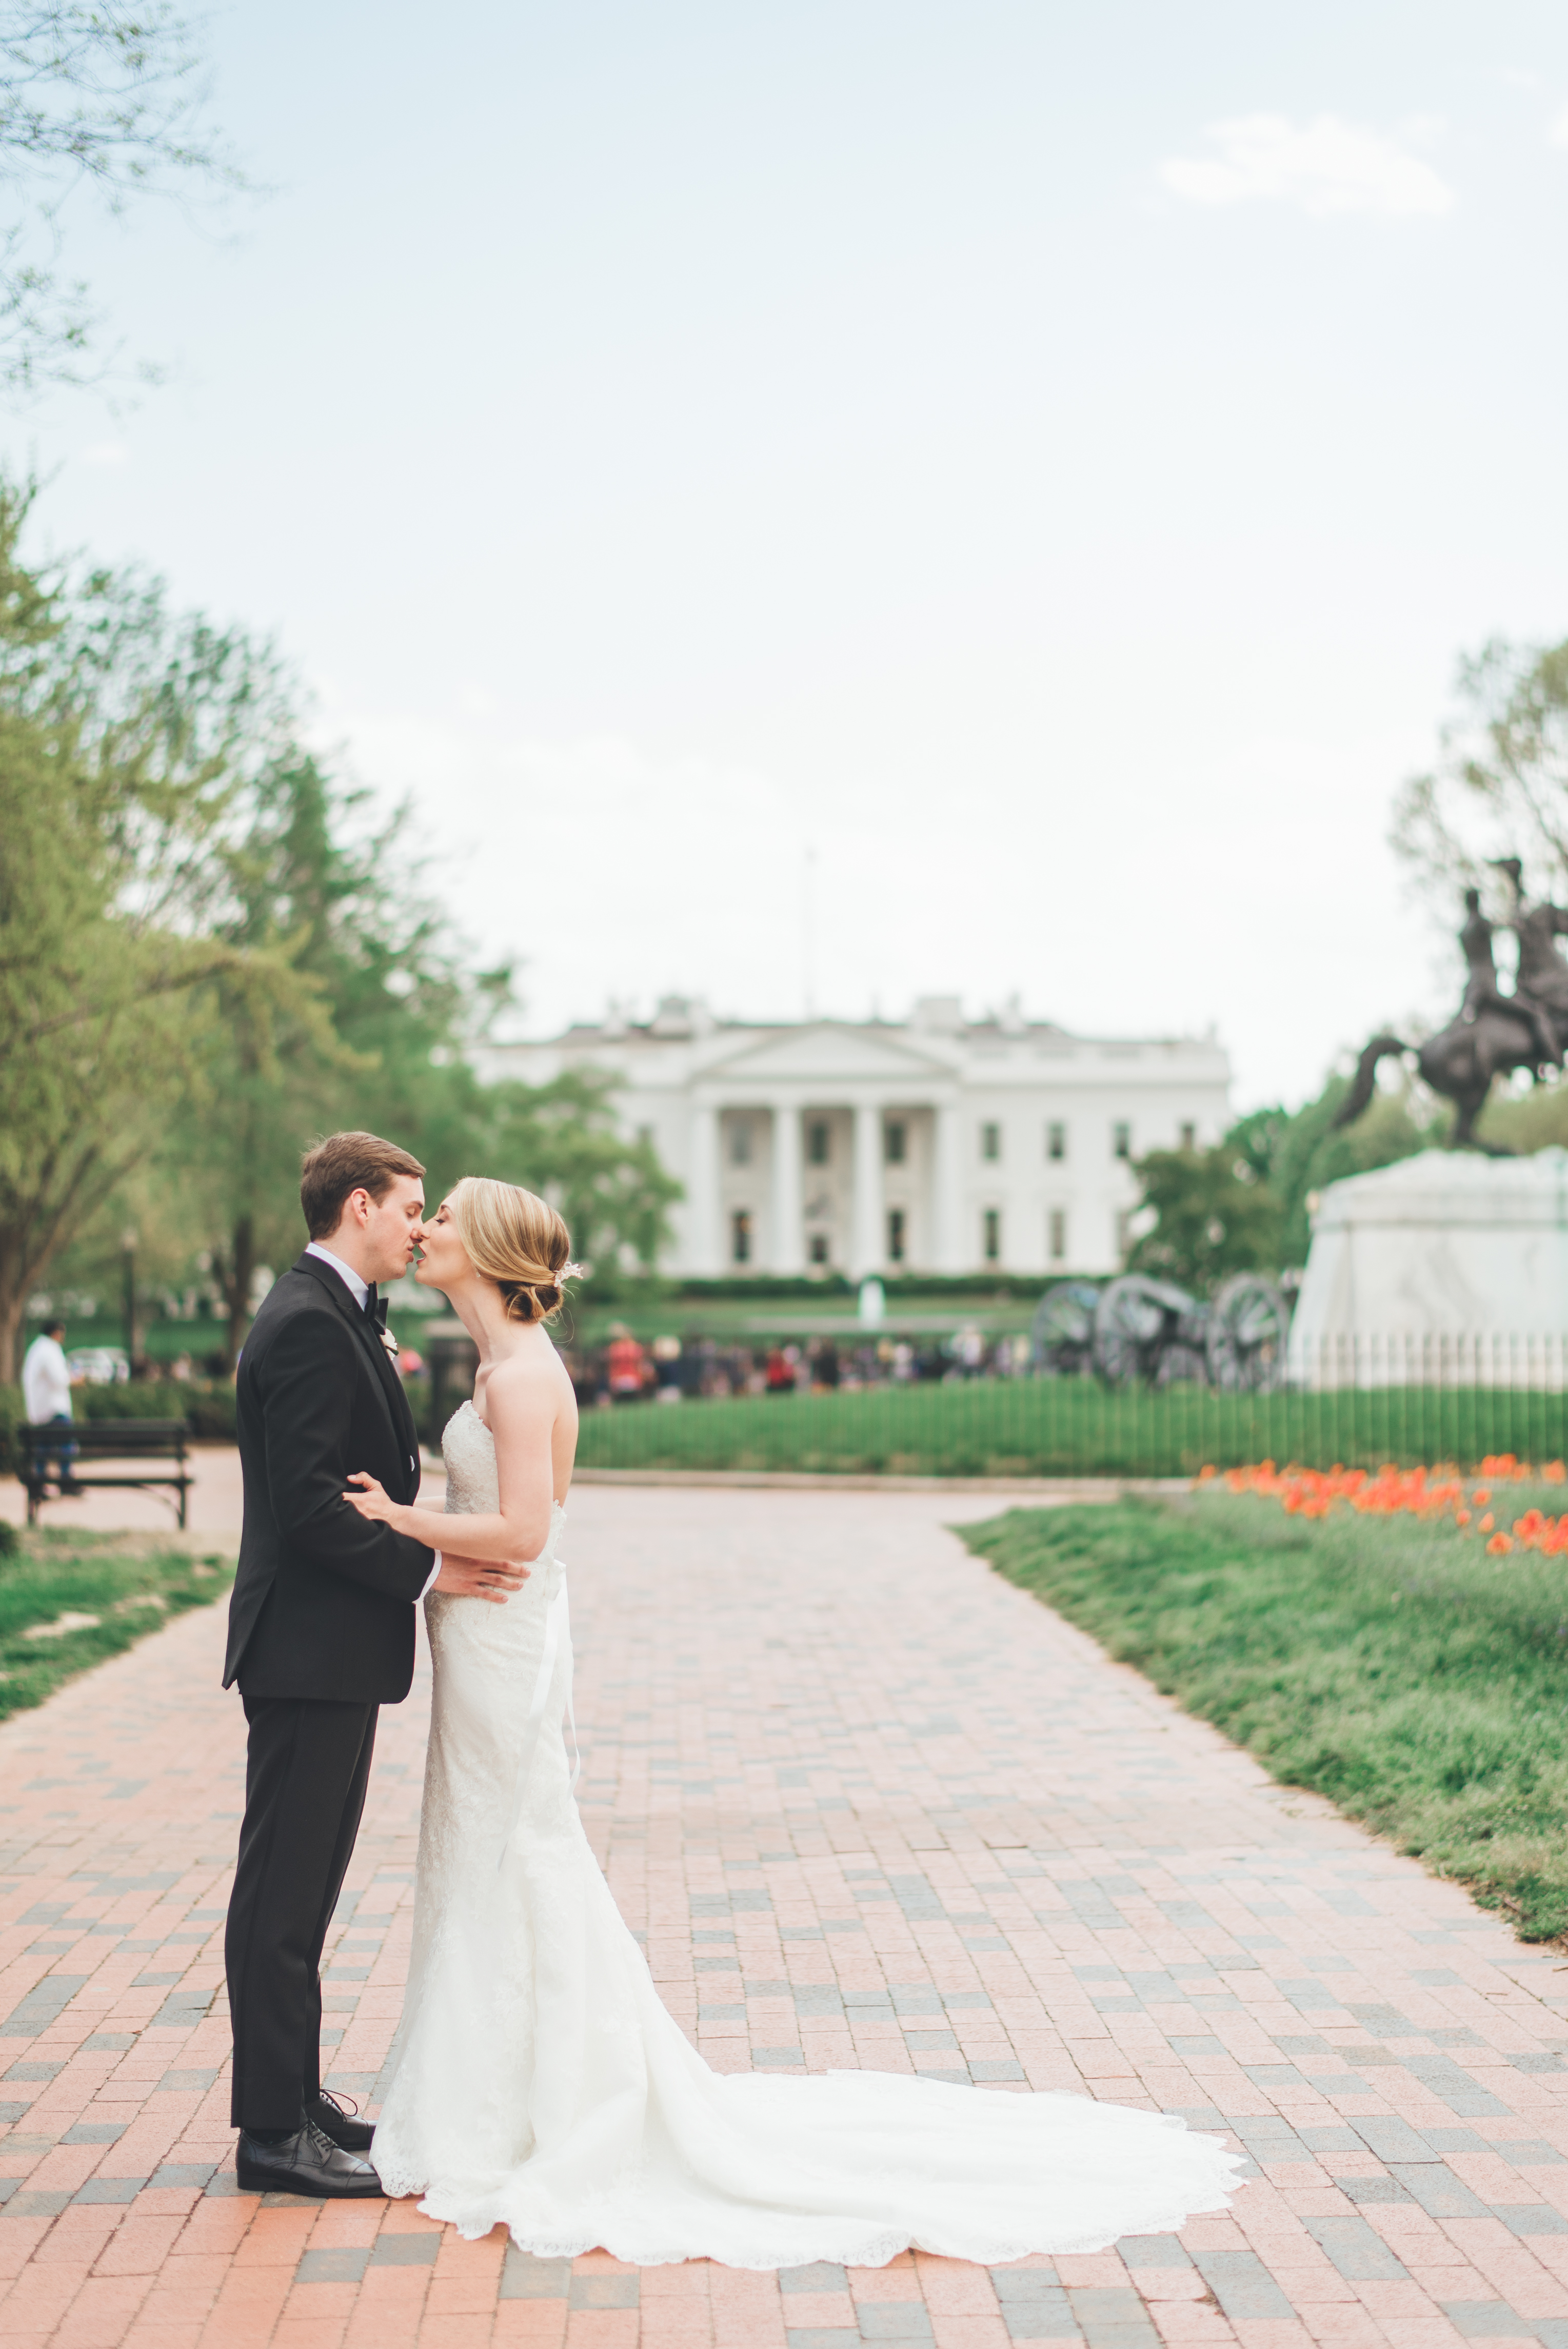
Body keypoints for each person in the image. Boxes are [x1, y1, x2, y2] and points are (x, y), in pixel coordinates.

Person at [350, 1175, 1241, 2265]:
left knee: (519, 1851)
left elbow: (527, 1531)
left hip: (503, 1635)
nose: (426, 1225)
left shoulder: (524, 1375)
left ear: (485, 1247)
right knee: (481, 1848)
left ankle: (536, 2103)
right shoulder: (494, 1365)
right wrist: (437, 1553)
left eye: (444, 1216)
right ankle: (484, 2090)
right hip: (480, 1633)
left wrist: (405, 1526)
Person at [223, 1132, 530, 2200]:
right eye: (411, 1205)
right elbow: (311, 1509)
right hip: (308, 1647)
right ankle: (270, 2136)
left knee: (304, 1892)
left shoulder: (328, 1312)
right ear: (359, 1206)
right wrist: (429, 1571)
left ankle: (295, 2101)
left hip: (330, 1648)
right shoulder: (309, 1323)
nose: (420, 1223)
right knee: (282, 1894)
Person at [22, 1318, 81, 1493]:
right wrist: (76, 1380)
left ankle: (38, 1484)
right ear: (56, 1333)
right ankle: (66, 1481)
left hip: (39, 1410)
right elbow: (59, 1379)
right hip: (54, 1409)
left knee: (42, 1448)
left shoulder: (36, 1348)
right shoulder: (50, 1349)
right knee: (65, 1444)